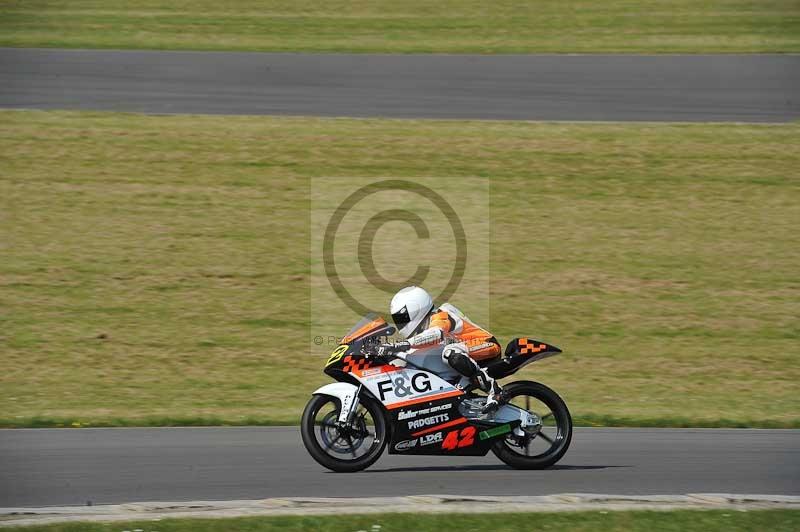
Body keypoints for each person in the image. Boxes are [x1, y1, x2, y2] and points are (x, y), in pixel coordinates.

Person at [381, 286, 503, 413]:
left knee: (450, 353)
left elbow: (436, 333)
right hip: (465, 351)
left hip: (486, 344)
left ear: (417, 309)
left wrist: (403, 344)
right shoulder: (425, 326)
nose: (401, 323)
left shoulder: (440, 315)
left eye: (403, 319)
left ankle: (495, 391)